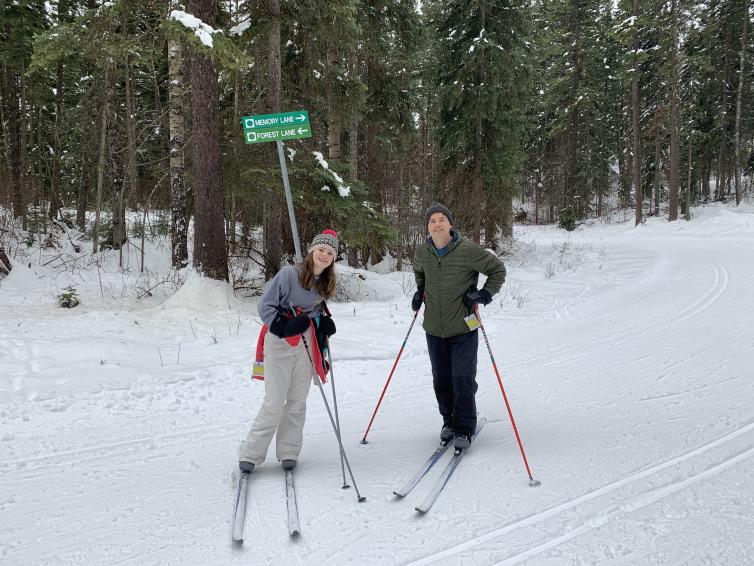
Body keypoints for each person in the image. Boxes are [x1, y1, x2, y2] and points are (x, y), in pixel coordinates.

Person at [239, 229, 339, 473]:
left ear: (333, 258)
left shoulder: (325, 281)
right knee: (274, 401)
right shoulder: (289, 274)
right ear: (312, 250)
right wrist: (283, 327)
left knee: (297, 400)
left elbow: (314, 310)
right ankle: (251, 453)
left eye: (329, 253)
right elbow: (265, 306)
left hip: (306, 340)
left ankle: (289, 451)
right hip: (280, 339)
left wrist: (322, 324)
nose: (324, 255)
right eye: (321, 250)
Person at [412, 204, 506, 450]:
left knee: (462, 379)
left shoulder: (468, 251)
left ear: (450, 224)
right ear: (427, 226)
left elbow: (497, 269)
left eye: (442, 219)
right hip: (433, 328)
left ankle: (464, 428)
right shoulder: (423, 252)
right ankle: (449, 423)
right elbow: (419, 271)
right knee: (441, 380)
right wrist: (420, 291)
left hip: (463, 328)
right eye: (432, 220)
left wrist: (484, 294)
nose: (437, 224)